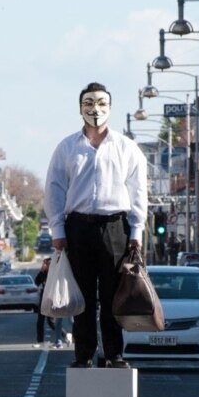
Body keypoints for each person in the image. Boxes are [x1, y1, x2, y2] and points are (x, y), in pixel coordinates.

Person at [44, 81, 148, 369]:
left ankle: (114, 354)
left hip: (116, 227)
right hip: (78, 228)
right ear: (80, 108)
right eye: (89, 104)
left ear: (110, 108)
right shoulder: (67, 148)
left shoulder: (127, 148)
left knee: (115, 294)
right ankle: (84, 355)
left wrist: (136, 232)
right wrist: (58, 230)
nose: (95, 109)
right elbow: (54, 189)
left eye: (101, 103)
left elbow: (139, 191)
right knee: (83, 297)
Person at [33, 256, 51, 348]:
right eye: (45, 263)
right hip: (43, 296)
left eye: (47, 263)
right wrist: (41, 270)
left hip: (52, 297)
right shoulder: (43, 273)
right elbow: (36, 282)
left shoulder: (54, 273)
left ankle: (64, 335)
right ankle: (40, 340)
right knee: (40, 320)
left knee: (51, 321)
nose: (46, 265)